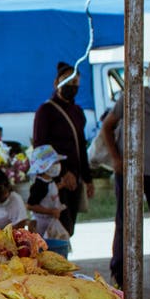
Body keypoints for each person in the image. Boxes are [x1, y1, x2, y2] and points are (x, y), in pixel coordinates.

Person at [101, 52, 150, 290]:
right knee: (125, 222)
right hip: (129, 170)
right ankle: (120, 273)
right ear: (148, 72)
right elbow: (108, 126)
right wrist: (116, 158)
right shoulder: (132, 95)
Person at [32, 62, 93, 236]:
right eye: (67, 81)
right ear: (56, 82)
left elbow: (81, 146)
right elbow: (40, 147)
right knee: (55, 229)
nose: (71, 86)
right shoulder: (45, 111)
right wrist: (64, 172)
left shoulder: (78, 112)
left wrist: (87, 178)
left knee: (68, 229)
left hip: (75, 180)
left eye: (75, 83)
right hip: (54, 181)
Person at [24, 145, 70, 240]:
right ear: (46, 167)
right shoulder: (39, 186)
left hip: (50, 221)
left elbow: (50, 191)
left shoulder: (49, 181)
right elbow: (30, 205)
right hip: (41, 224)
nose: (58, 165)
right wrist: (51, 211)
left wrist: (61, 186)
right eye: (55, 163)